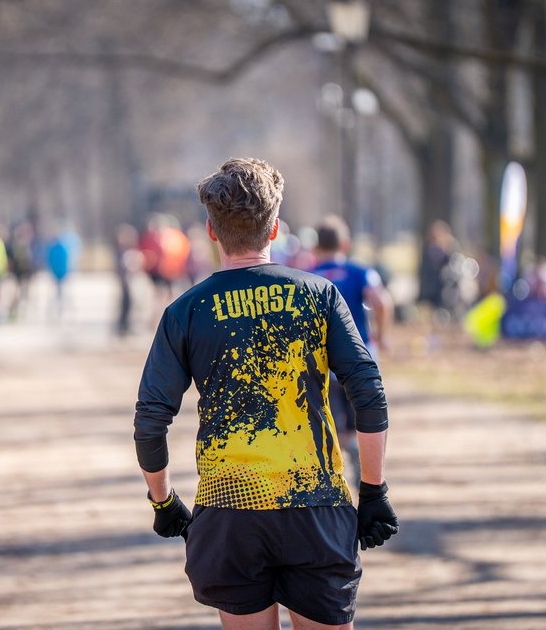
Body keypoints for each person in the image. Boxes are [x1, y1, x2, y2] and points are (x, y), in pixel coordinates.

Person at [134, 158, 398, 630]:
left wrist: (162, 500)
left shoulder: (185, 311)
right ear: (275, 228)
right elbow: (368, 390)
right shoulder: (320, 296)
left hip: (229, 511)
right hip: (315, 505)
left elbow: (151, 419)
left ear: (211, 232)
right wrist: (374, 490)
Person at [311, 216, 394, 490]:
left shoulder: (308, 277)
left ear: (316, 247)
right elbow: (381, 301)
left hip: (323, 364)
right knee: (362, 414)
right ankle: (359, 456)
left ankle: (338, 469)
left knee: (331, 419)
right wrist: (380, 337)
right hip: (359, 360)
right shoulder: (360, 272)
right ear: (344, 244)